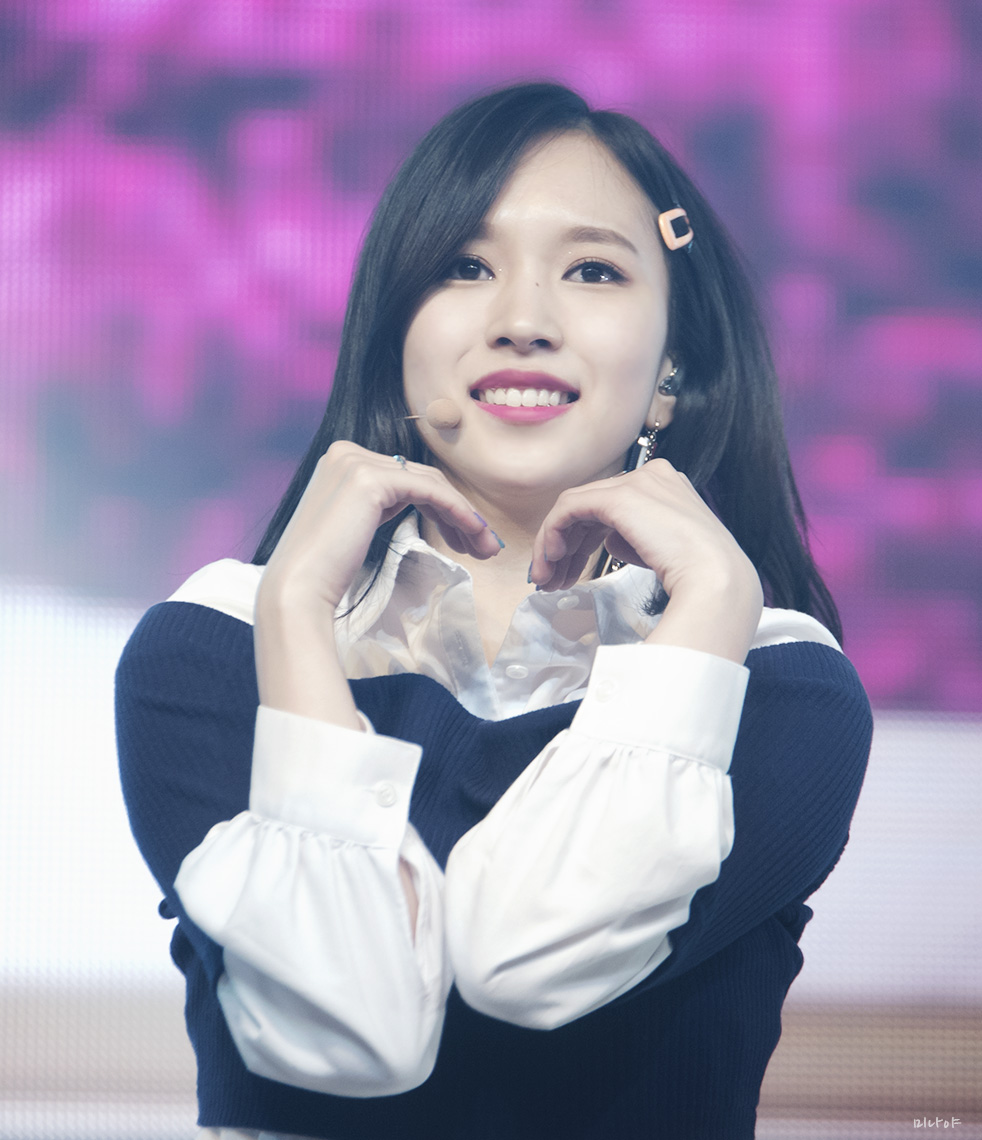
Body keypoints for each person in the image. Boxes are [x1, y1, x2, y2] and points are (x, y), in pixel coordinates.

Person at [116, 82, 872, 1140]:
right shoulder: (214, 646)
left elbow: (524, 964)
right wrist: (294, 609)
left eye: (593, 270)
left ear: (671, 373)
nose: (522, 321)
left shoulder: (783, 686)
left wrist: (711, 603)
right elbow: (354, 1033)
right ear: (397, 339)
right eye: (465, 267)